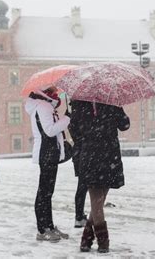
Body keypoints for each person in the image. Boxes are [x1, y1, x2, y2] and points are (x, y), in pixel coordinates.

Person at [78, 102, 130, 253]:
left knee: (97, 202)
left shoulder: (81, 104)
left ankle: (86, 240)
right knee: (98, 201)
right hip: (108, 155)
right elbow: (125, 125)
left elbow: (76, 128)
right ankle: (102, 241)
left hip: (91, 155)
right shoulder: (111, 102)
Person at [25, 86, 71, 242]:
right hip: (47, 152)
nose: (56, 94)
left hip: (49, 152)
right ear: (45, 93)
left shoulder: (44, 106)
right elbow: (50, 131)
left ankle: (49, 226)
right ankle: (43, 230)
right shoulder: (43, 106)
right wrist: (67, 118)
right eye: (53, 91)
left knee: (47, 192)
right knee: (44, 192)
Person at [68, 100, 89, 228]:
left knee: (82, 186)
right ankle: (81, 216)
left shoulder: (73, 114)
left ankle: (79, 215)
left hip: (78, 153)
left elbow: (74, 133)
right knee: (87, 186)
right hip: (87, 152)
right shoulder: (86, 113)